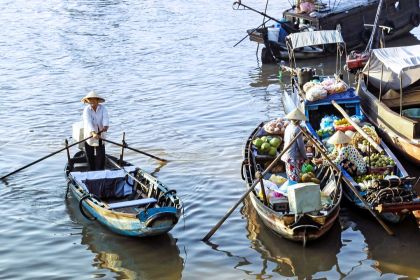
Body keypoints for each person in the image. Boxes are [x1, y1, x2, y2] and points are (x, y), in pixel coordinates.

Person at [81, 91, 109, 171]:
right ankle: (92, 171)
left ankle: (100, 171)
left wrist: (105, 126)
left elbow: (105, 118)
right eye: (90, 100)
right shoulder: (86, 110)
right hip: (89, 135)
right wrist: (93, 133)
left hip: (100, 134)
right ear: (88, 101)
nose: (92, 102)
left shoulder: (103, 108)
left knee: (101, 156)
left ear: (97, 100)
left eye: (94, 100)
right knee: (90, 156)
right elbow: (88, 122)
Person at [281, 108, 308, 182]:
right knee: (295, 178)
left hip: (286, 154)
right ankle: (293, 190)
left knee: (290, 176)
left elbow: (285, 140)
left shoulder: (288, 127)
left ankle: (291, 188)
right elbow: (301, 146)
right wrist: (305, 157)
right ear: (299, 120)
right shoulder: (298, 129)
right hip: (293, 157)